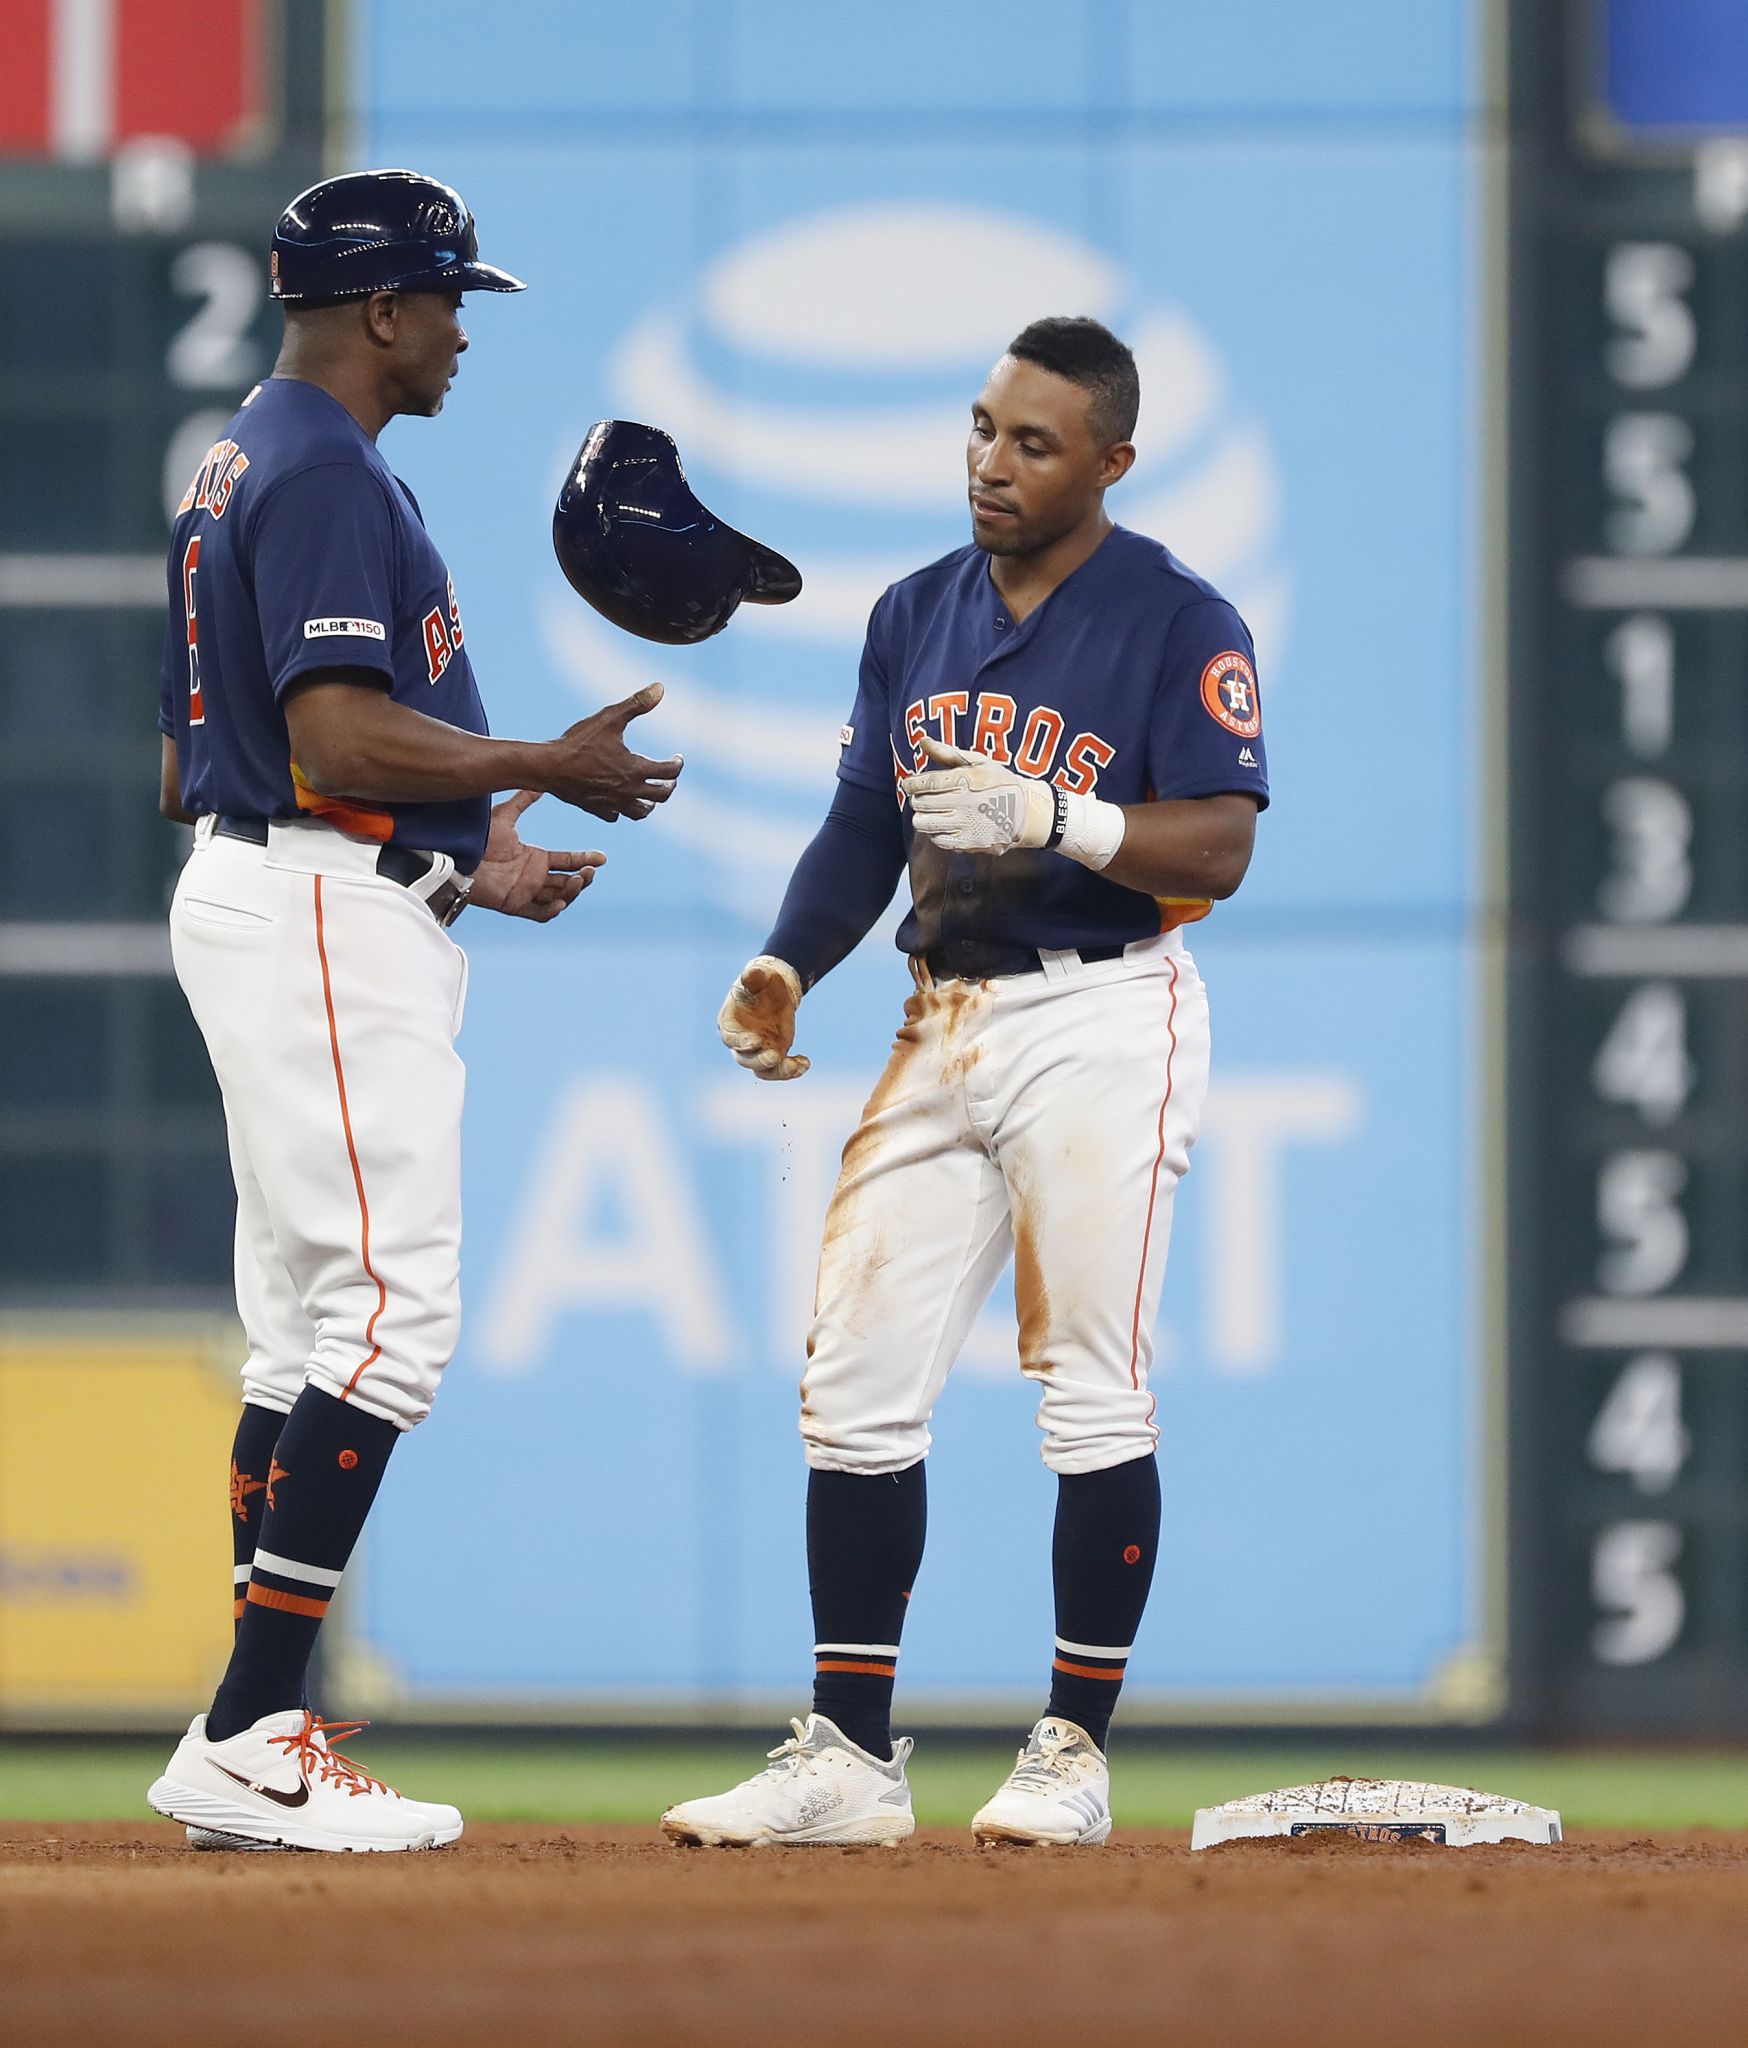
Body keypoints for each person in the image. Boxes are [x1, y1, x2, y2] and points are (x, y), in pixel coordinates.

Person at [661, 317, 1267, 1849]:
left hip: (1101, 1012)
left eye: (1036, 443)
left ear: (1113, 462)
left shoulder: (1178, 620)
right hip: (942, 1014)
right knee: (853, 1384)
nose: (995, 464)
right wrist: (790, 962)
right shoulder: (915, 611)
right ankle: (849, 1760)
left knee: (1087, 1385)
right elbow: (865, 827)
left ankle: (1071, 1749)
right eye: (985, 429)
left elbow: (1221, 846)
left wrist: (1064, 816)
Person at [145, 169, 682, 1853]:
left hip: (285, 892)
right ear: (381, 310)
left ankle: (251, 1723)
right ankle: (251, 1729)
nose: (460, 329)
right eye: (450, 299)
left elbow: (200, 765)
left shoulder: (241, 454)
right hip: (308, 908)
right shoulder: (315, 469)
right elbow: (334, 742)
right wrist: (541, 764)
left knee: (309, 1331)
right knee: (390, 1322)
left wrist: (459, 861)